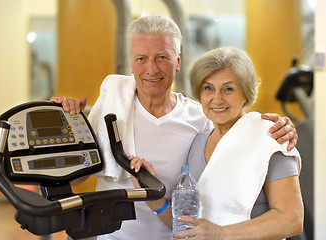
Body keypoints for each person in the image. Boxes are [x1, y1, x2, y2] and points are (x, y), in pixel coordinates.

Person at [51, 15, 299, 240]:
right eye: (141, 59)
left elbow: (290, 218)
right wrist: (64, 126)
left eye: (162, 57)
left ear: (177, 61)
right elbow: (77, 176)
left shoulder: (203, 121)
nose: (151, 68)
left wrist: (280, 127)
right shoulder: (112, 108)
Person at [131, 47, 303, 240]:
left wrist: (220, 234)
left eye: (228, 89)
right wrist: (152, 195)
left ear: (245, 93)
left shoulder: (270, 138)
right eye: (208, 88)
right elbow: (189, 225)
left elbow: (292, 219)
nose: (217, 99)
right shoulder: (198, 142)